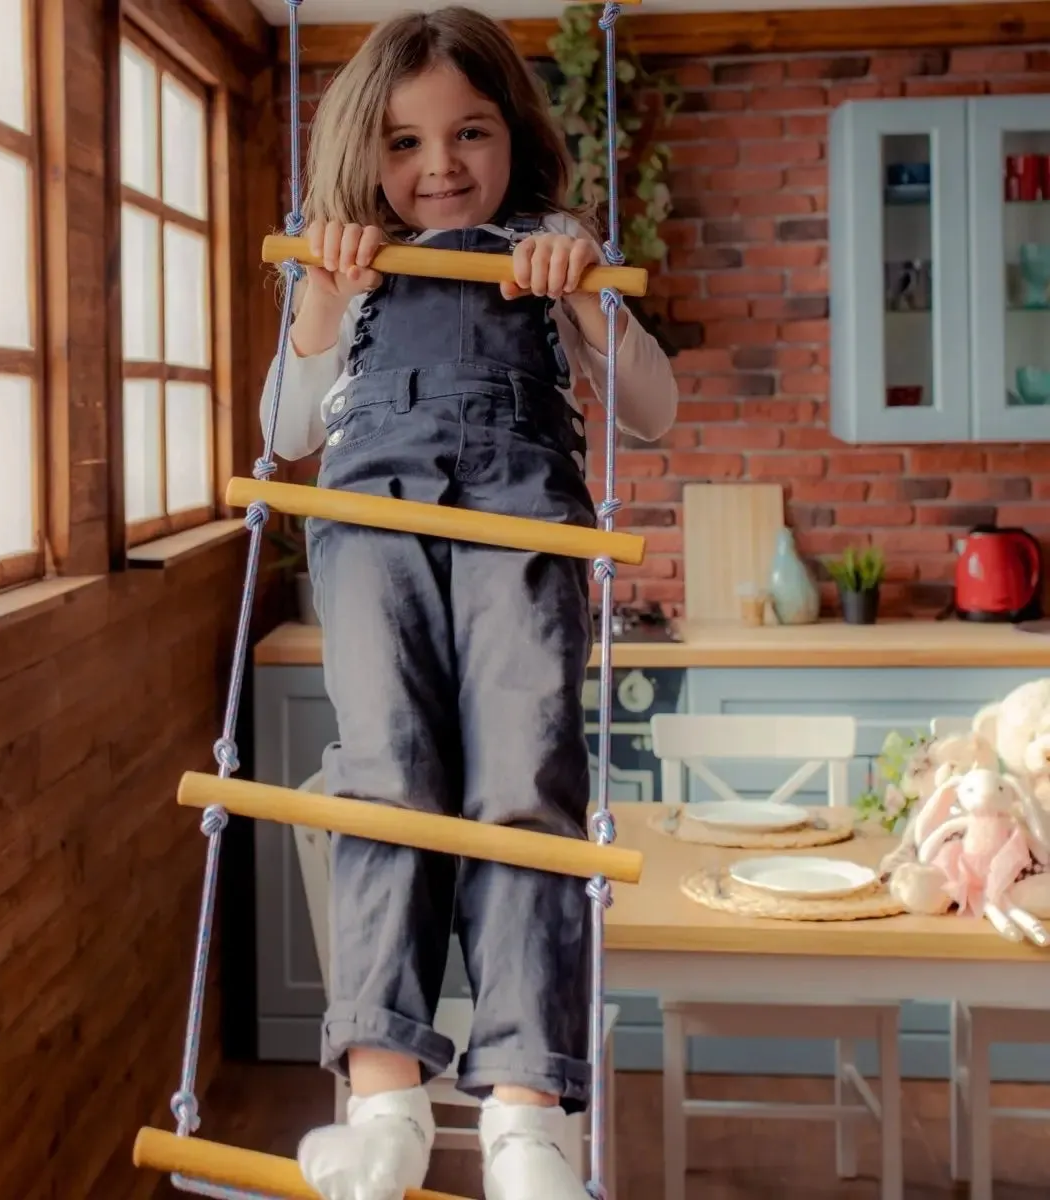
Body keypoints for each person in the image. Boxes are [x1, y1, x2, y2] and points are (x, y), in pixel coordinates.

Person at [259, 8, 677, 1199]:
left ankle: (525, 1113)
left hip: (519, 522)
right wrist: (326, 305)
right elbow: (284, 432)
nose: (438, 166)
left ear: (513, 137)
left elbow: (656, 412)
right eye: (403, 143)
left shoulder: (548, 246)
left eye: (468, 133)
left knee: (524, 777)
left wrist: (590, 289)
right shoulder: (346, 258)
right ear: (363, 153)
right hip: (373, 525)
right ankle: (385, 1097)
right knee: (385, 771)